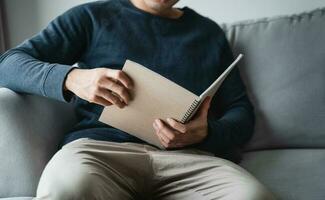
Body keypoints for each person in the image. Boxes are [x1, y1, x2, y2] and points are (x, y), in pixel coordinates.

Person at [0, 0, 276, 199]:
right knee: (66, 188)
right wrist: (72, 78)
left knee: (252, 196)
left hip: (189, 159)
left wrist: (207, 132)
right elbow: (7, 65)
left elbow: (241, 112)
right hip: (100, 151)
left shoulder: (209, 33)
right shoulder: (91, 16)